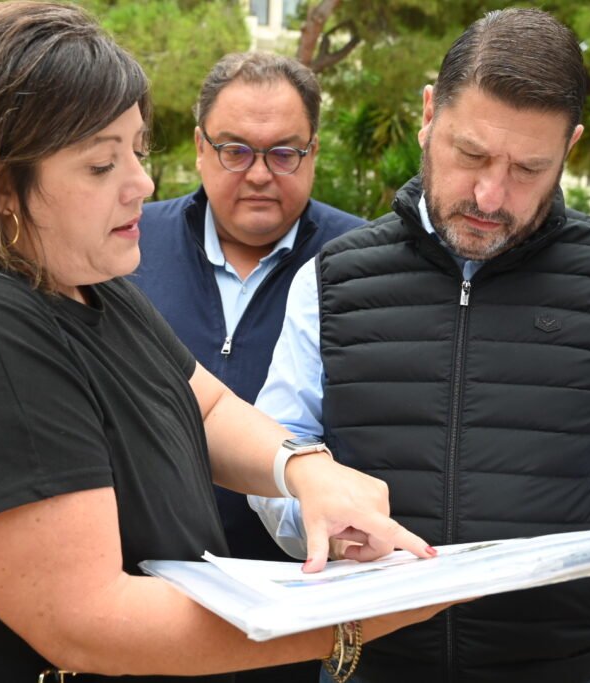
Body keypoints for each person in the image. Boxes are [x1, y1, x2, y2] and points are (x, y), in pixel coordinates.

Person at [0, 4, 458, 681]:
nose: (142, 185)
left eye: (137, 152)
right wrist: (348, 616)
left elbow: (204, 407)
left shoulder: (88, 285)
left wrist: (305, 470)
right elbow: (89, 620)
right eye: (100, 165)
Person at [250, 8, 590, 683]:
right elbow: (275, 453)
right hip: (371, 663)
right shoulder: (333, 279)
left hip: (576, 668)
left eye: (528, 168)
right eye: (471, 154)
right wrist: (312, 516)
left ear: (569, 148)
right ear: (430, 114)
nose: (489, 195)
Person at [133, 53, 363, 569]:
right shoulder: (129, 246)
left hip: (301, 585)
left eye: (283, 153)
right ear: (200, 147)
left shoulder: (361, 264)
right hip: (146, 576)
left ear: (313, 152)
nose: (259, 174)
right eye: (235, 151)